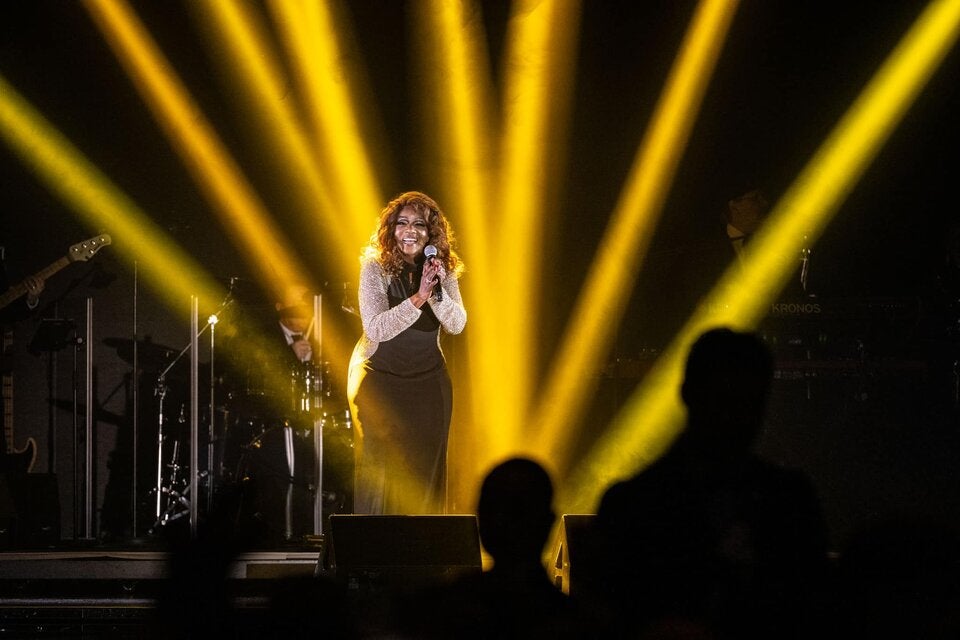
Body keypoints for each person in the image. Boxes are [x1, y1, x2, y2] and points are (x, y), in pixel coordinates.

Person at [593, 328, 830, 638]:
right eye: (725, 400)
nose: (736, 418)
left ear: (685, 393)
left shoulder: (632, 503)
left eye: (747, 403)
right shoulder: (789, 500)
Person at [348, 191, 466, 515]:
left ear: (431, 233)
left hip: (428, 375)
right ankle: (370, 551)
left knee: (427, 466)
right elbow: (375, 328)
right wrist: (418, 298)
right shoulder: (375, 268)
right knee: (379, 467)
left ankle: (423, 550)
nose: (410, 230)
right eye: (402, 223)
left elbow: (457, 324)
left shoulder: (443, 269)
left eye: (419, 224)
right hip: (378, 373)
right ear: (391, 229)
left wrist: (436, 293)